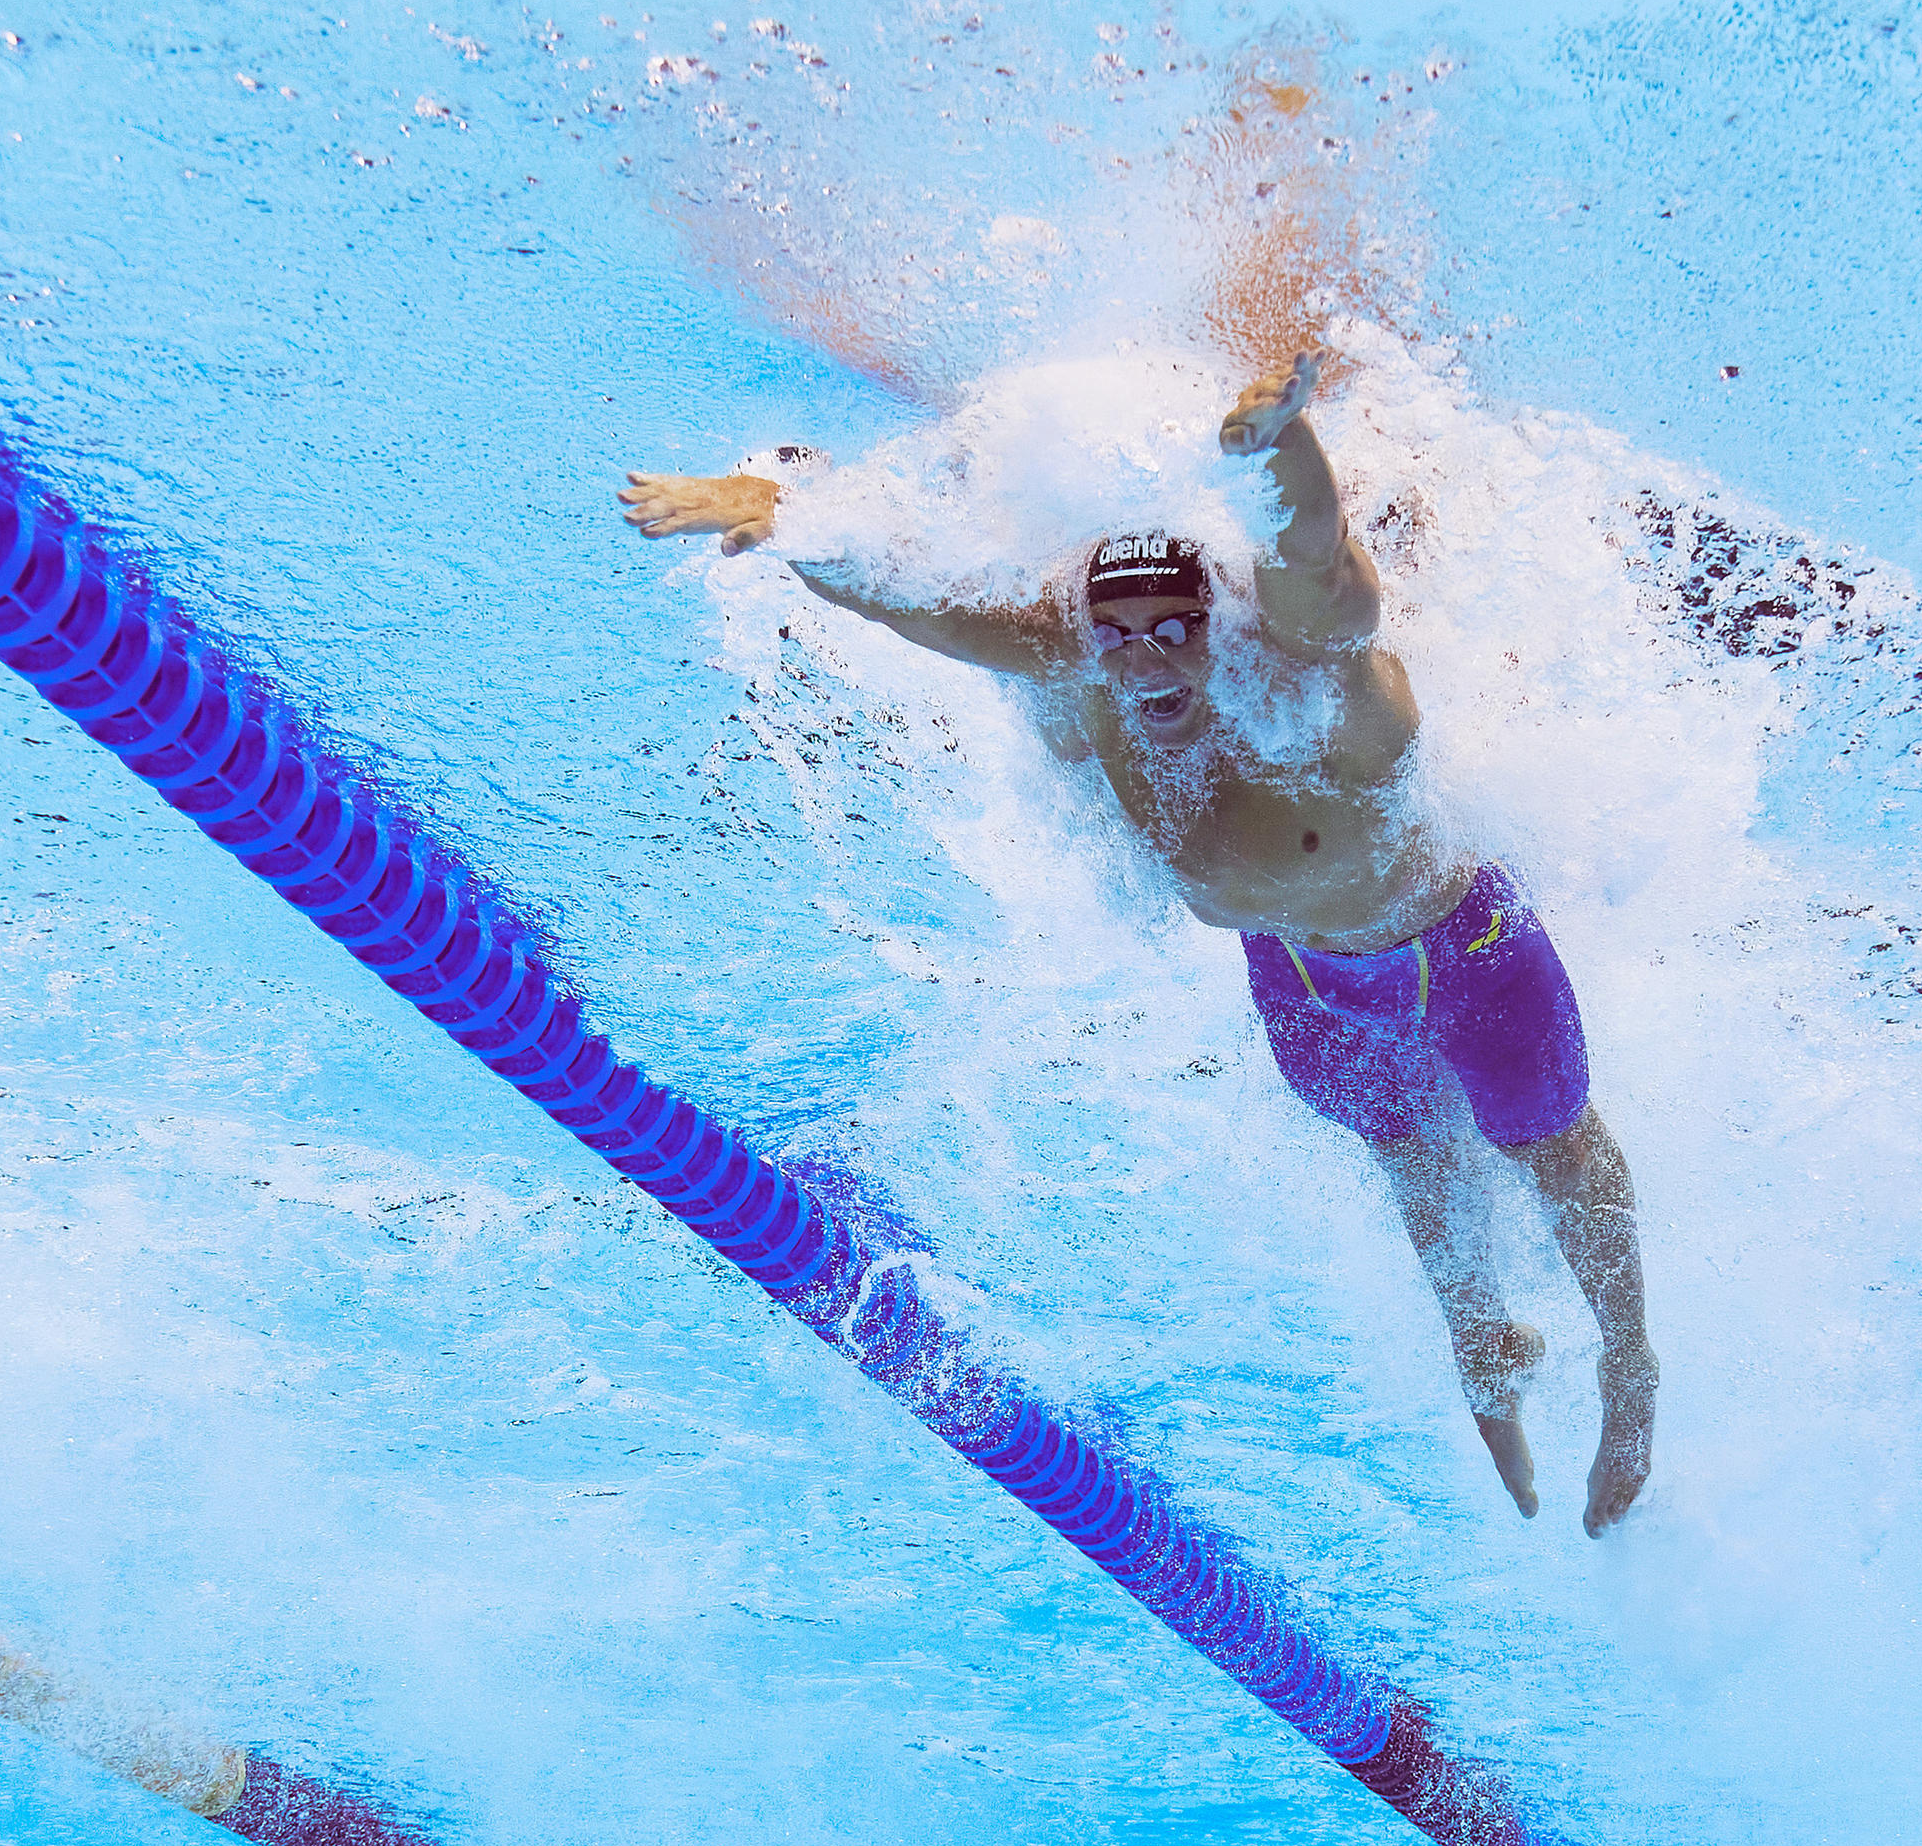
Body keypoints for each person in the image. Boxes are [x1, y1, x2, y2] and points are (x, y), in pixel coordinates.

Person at [618, 352, 1659, 1534]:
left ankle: (1629, 1370)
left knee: (1554, 1157)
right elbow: (913, 604)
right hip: (1304, 982)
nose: (1151, 654)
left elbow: (1314, 559)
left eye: (1179, 625)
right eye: (1123, 633)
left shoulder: (1322, 688)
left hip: (1463, 961)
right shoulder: (1089, 672)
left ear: (1225, 626)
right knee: (1408, 1156)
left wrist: (1278, 446)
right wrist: (786, 515)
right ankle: (1486, 1342)